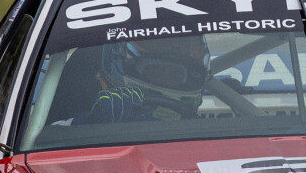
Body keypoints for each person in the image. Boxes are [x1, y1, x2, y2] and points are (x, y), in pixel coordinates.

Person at [70, 36, 211, 125]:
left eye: (174, 74)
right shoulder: (65, 131)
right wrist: (91, 126)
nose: (166, 79)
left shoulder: (218, 130)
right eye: (157, 72)